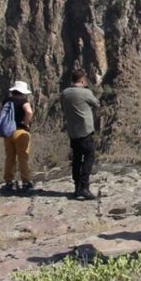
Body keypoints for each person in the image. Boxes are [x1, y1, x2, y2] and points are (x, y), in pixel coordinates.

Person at [60, 68, 100, 200]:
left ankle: (77, 188)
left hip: (72, 131)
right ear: (82, 80)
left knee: (76, 159)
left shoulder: (64, 93)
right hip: (85, 130)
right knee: (89, 156)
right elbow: (96, 104)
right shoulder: (85, 92)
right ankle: (84, 187)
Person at [0, 81, 34, 195]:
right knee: (23, 157)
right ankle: (25, 182)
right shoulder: (23, 101)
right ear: (23, 92)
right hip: (20, 131)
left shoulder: (7, 100)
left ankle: (9, 182)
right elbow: (29, 111)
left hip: (8, 133)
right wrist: (26, 122)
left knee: (10, 157)